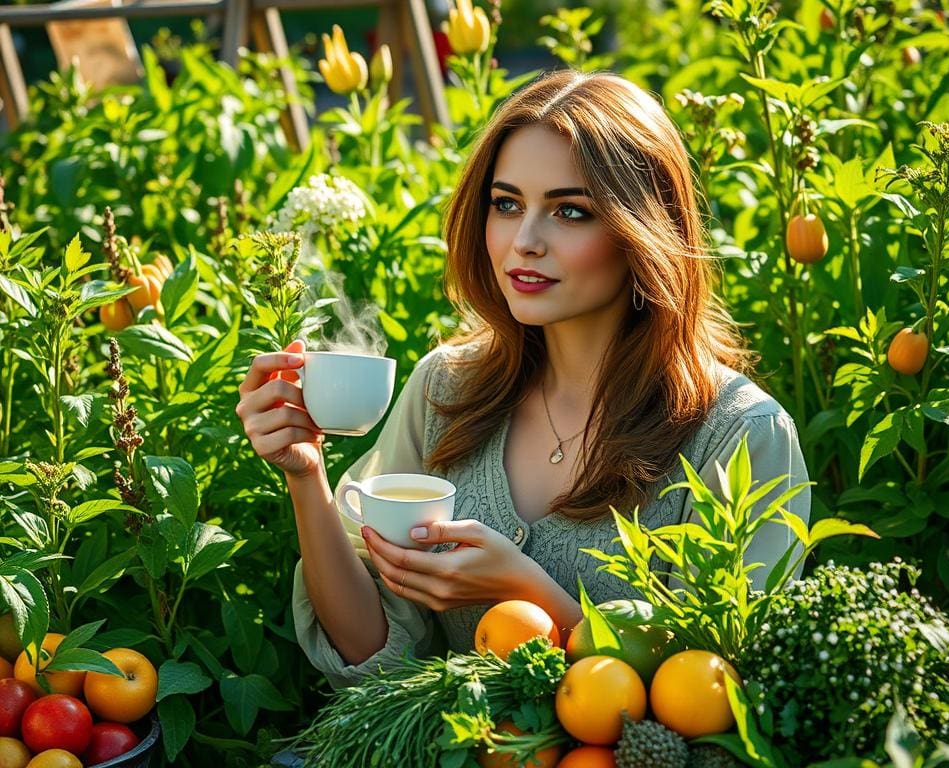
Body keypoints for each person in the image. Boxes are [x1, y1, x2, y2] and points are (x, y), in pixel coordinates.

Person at [235, 69, 810, 689]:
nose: (524, 242)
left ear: (645, 229)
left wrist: (530, 592)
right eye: (507, 205)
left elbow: (727, 695)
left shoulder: (739, 434)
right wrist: (305, 474)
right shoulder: (445, 391)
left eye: (570, 211)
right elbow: (373, 654)